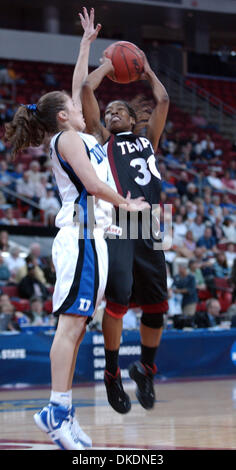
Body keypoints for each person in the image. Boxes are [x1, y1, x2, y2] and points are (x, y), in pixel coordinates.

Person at [4, 8, 149, 450]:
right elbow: (91, 184)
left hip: (96, 240)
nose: (83, 105)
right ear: (63, 118)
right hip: (82, 237)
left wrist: (86, 45)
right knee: (69, 327)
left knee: (78, 326)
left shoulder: (78, 135)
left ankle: (62, 413)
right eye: (72, 107)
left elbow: (78, 83)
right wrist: (127, 203)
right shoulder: (67, 139)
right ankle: (56, 410)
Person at [81, 45, 169, 413]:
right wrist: (105, 67)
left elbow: (162, 98)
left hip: (151, 221)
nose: (113, 113)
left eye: (120, 111)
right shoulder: (102, 139)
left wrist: (146, 69)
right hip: (116, 221)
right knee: (117, 301)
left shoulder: (149, 139)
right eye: (110, 111)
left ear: (133, 120)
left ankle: (146, 369)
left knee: (157, 308)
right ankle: (113, 373)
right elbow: (86, 89)